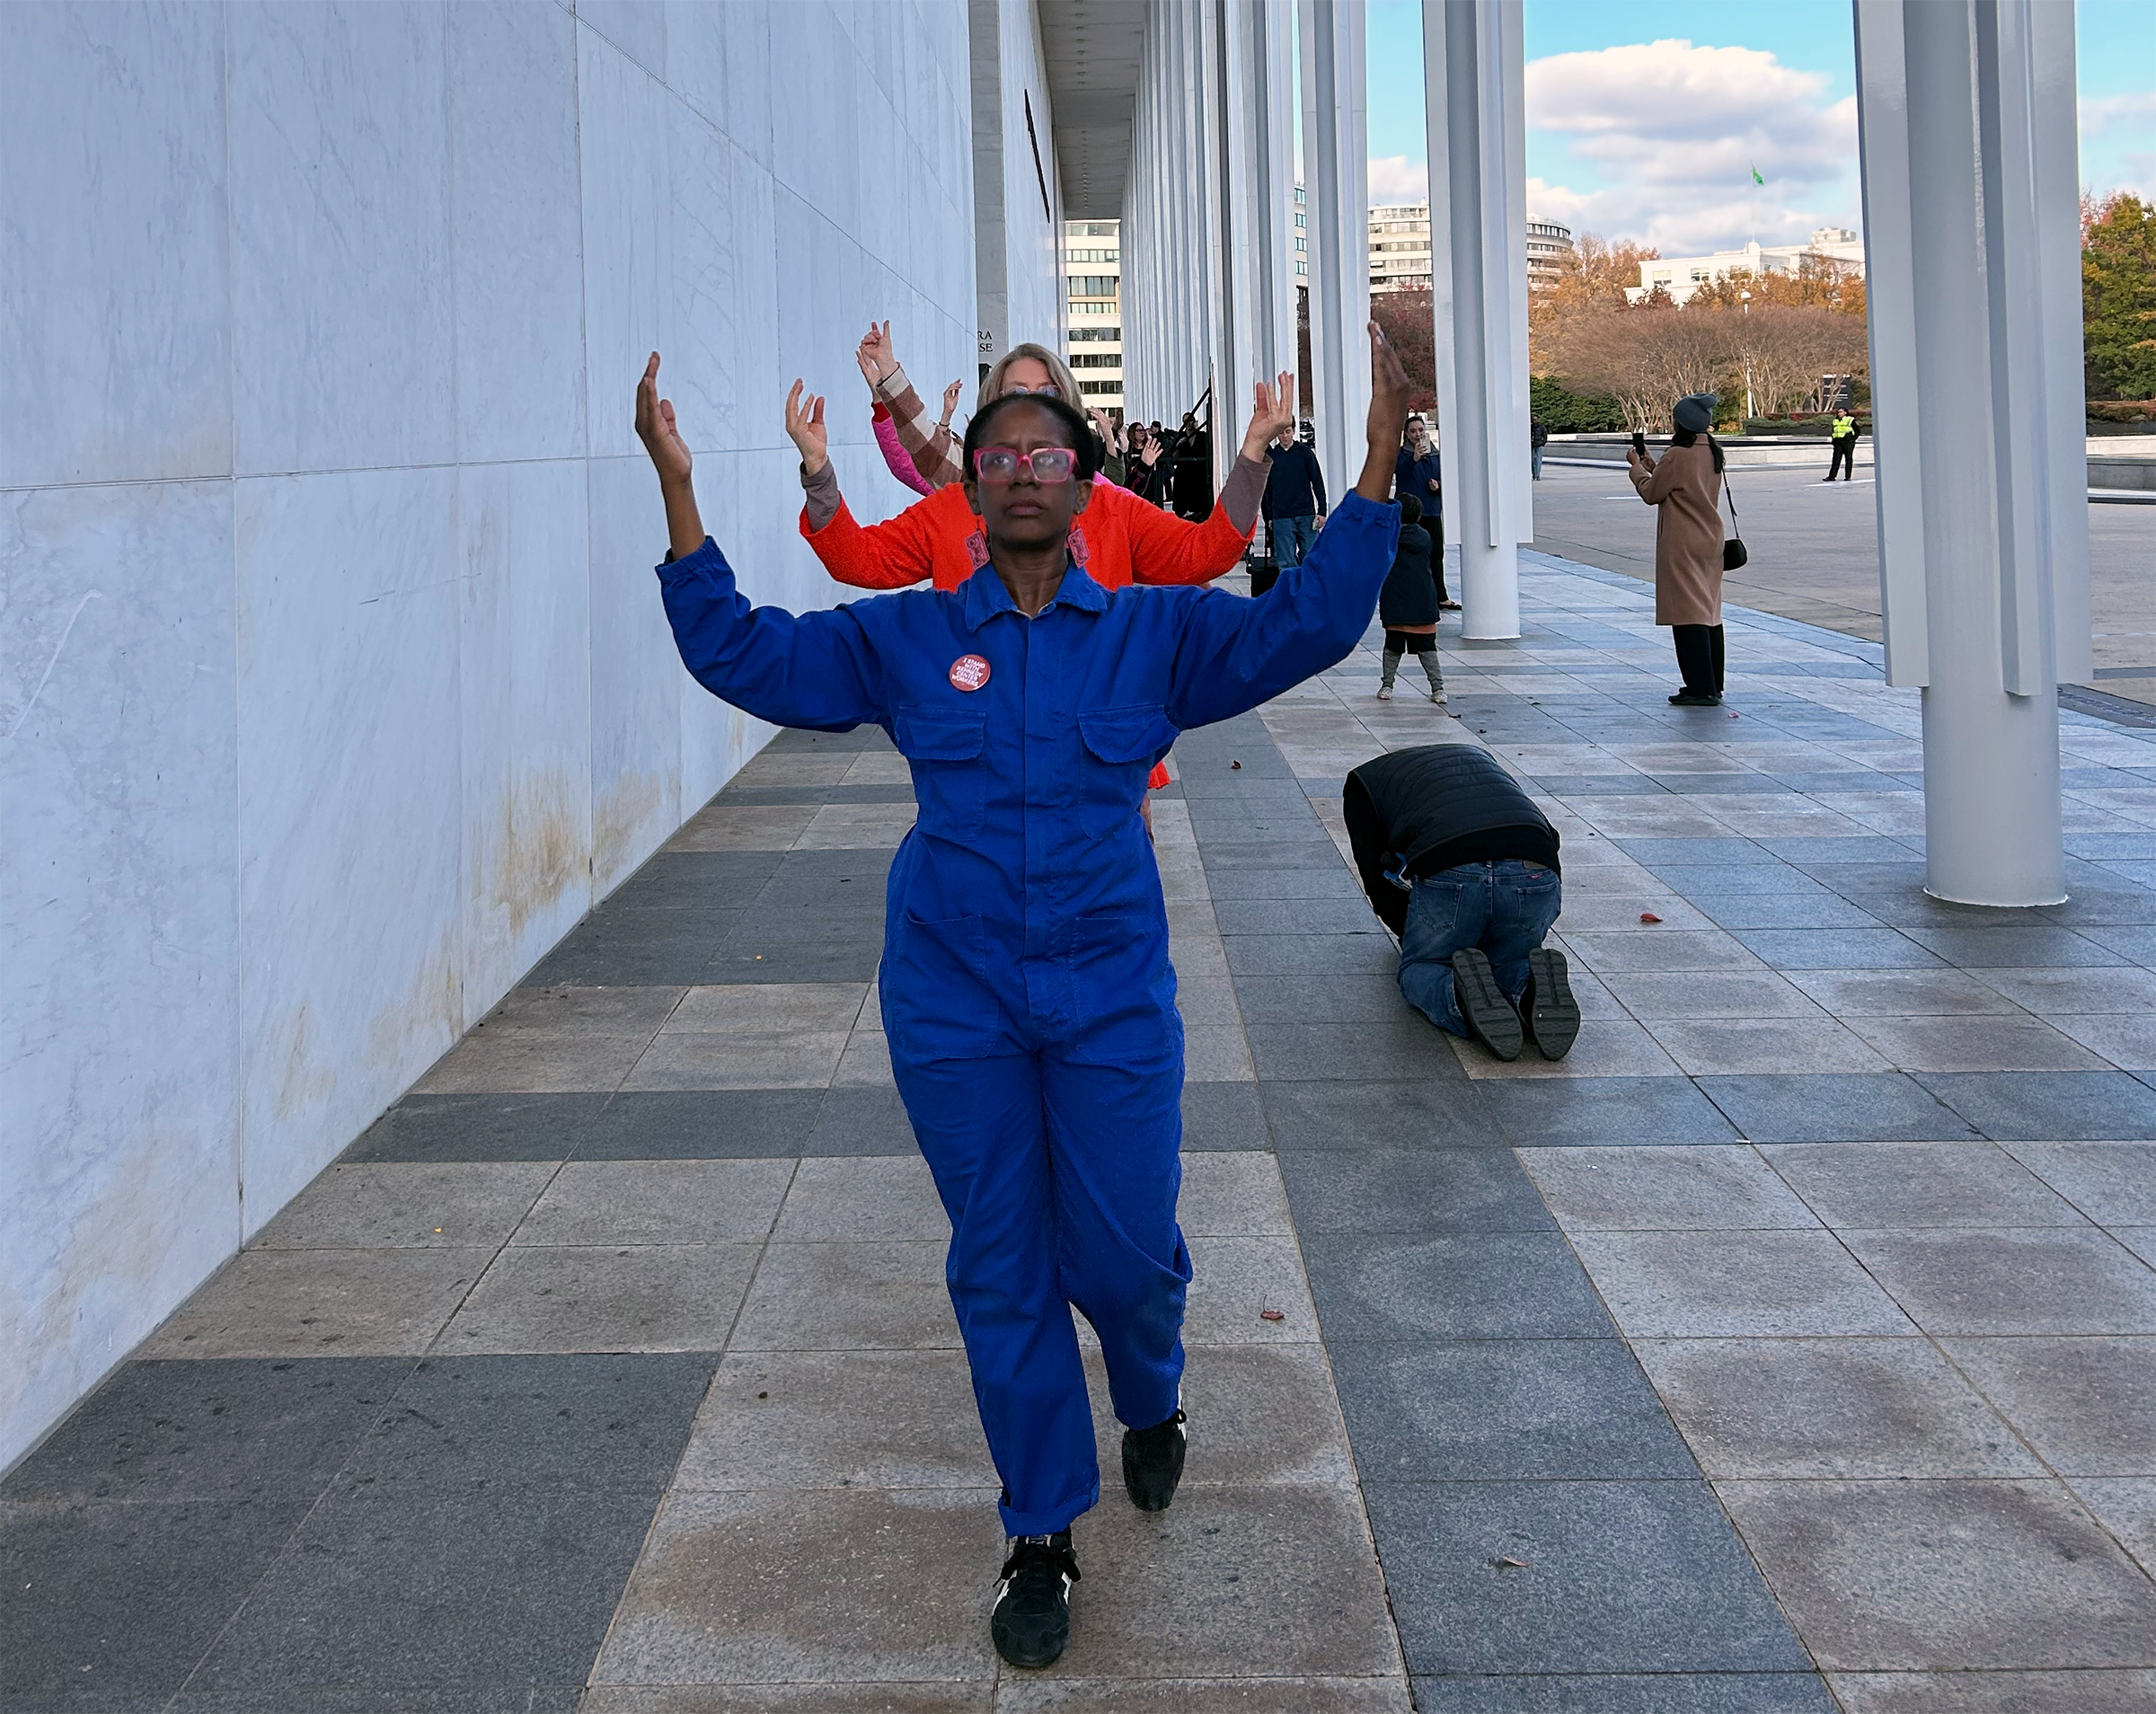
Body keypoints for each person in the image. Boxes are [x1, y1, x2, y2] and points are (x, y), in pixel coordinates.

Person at [636, 325, 1413, 1673]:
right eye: (997, 455)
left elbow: (1306, 623)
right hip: (956, 996)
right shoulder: (910, 637)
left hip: (1109, 994)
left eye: (1047, 452)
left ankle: (1153, 1391)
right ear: (972, 485)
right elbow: (749, 658)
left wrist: (1382, 448)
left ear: (1084, 477)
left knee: (1120, 1251)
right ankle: (1041, 1527)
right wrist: (681, 493)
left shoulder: (1156, 636)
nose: (1022, 472)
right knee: (1001, 1262)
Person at [791, 336, 1273, 596]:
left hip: (1092, 756)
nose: (1031, 412)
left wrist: (1252, 457)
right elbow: (859, 559)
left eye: (1046, 396)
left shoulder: (1110, 508)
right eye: (1015, 397)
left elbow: (1203, 554)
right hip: (984, 751)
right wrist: (819, 473)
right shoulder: (954, 507)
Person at [1343, 743, 1579, 1062]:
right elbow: (1546, 835)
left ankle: (1456, 996)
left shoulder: (1362, 784)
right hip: (1535, 862)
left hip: (1450, 862)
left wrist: (1410, 935)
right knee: (1509, 958)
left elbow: (1375, 876)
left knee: (1423, 966)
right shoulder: (1480, 758)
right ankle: (1528, 992)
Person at [1628, 393, 1728, 707]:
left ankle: (1700, 687)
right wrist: (1652, 466)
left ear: (1680, 422)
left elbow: (1652, 492)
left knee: (1688, 613)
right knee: (1710, 611)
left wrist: (1636, 468)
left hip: (1683, 541)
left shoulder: (1678, 455)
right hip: (1711, 538)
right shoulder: (1712, 451)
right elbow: (1682, 483)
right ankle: (1713, 681)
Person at [1376, 494, 1445, 705]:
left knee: (1393, 647)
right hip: (1423, 598)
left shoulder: (1388, 538)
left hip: (1396, 598)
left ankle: (1387, 685)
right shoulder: (1425, 537)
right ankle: (1438, 688)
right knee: (1427, 649)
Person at [1394, 416, 1458, 610]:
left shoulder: (1435, 455)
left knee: (1436, 554)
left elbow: (1445, 478)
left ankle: (1441, 596)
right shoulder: (1402, 455)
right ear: (1406, 434)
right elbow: (1399, 472)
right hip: (1410, 515)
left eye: (1420, 430)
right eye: (1413, 431)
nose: (1417, 434)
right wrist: (1414, 458)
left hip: (1431, 510)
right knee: (1410, 555)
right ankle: (1412, 596)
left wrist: (1438, 486)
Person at [1260, 420, 1326, 572]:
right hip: (1281, 516)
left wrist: (1322, 511)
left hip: (1306, 514)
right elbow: (1266, 490)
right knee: (1286, 563)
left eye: (1288, 432)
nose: (1285, 436)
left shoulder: (1305, 453)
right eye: (1282, 432)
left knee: (1311, 559)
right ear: (1276, 434)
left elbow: (1317, 481)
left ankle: (1308, 594)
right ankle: (1291, 593)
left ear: (1294, 431)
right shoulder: (1271, 457)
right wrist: (1268, 517)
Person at [1170, 410, 1213, 520]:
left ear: (1194, 422)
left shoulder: (1203, 436)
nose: (1188, 424)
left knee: (1198, 496)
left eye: (1190, 420)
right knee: (1183, 496)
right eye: (1185, 421)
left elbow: (1208, 451)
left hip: (1198, 472)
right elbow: (1174, 457)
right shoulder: (1180, 436)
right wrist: (1179, 444)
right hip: (1184, 472)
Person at [1825, 408, 1858, 482]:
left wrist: (1852, 439)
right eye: (1838, 412)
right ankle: (1832, 476)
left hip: (1848, 442)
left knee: (1848, 459)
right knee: (1836, 459)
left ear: (1845, 413)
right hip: (1838, 442)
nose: (1839, 413)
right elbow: (1834, 431)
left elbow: (1857, 430)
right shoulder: (1835, 421)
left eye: (1841, 412)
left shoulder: (1850, 420)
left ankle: (1847, 476)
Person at [1530, 416, 1549, 481]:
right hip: (1532, 446)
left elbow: (1545, 435)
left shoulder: (1541, 427)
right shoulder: (1531, 428)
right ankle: (1534, 474)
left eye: (1535, 419)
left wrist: (1543, 443)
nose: (1533, 421)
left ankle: (1537, 475)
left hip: (1539, 445)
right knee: (1532, 461)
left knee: (1538, 460)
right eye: (1533, 420)